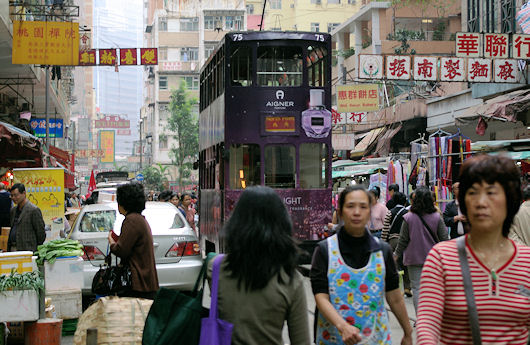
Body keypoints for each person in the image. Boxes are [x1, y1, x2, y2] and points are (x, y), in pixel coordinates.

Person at [417, 155, 530, 344]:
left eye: (491, 192)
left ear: (510, 199)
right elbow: (427, 326)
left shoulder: (527, 261)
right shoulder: (441, 258)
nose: (481, 202)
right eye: (473, 193)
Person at [310, 185, 413, 345]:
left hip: (375, 338)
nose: (356, 212)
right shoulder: (325, 250)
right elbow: (321, 297)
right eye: (350, 206)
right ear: (341, 211)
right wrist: (342, 326)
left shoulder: (382, 251)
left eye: (363, 207)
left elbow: (394, 297)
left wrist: (407, 332)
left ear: (370, 211)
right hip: (334, 338)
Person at [208, 186, 309, 345]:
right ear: (282, 225)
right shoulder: (291, 280)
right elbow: (301, 341)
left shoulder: (216, 268)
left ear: (236, 222)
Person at [393, 186, 448, 313]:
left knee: (417, 288)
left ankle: (421, 318)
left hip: (414, 258)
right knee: (433, 288)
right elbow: (444, 238)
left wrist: (395, 255)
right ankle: (433, 315)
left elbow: (403, 240)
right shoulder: (436, 217)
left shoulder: (408, 218)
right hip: (434, 258)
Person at [107, 183, 159, 300]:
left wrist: (111, 242)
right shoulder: (138, 219)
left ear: (124, 203)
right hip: (144, 279)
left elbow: (122, 250)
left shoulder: (132, 220)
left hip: (138, 282)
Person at [381, 192, 412, 297]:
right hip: (405, 242)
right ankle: (407, 287)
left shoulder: (390, 212)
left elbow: (385, 229)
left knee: (392, 266)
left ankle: (394, 289)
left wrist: (383, 242)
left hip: (392, 241)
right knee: (406, 265)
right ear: (404, 202)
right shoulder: (408, 213)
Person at [8, 183, 46, 252]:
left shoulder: (33, 210)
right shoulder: (13, 210)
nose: (13, 198)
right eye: (12, 195)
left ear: (24, 193)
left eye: (16, 195)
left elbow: (41, 233)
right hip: (13, 249)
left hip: (28, 250)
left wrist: (34, 247)